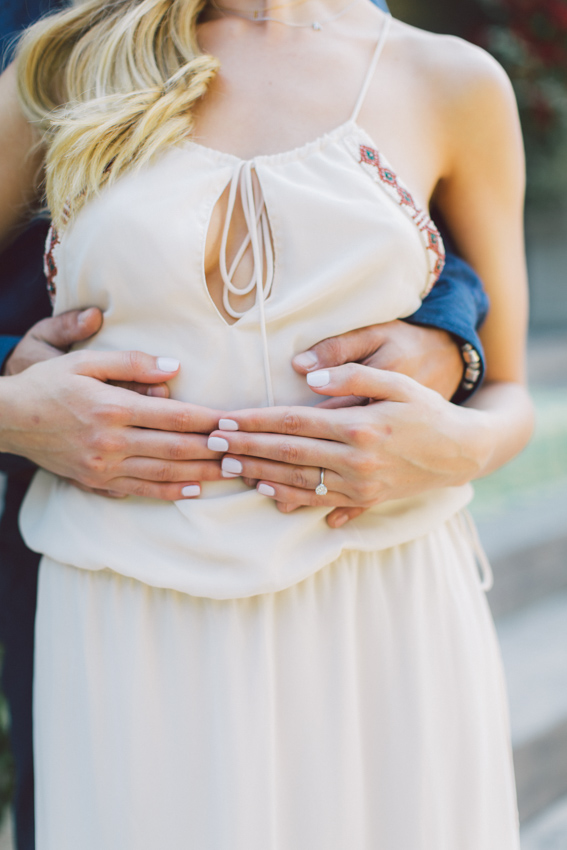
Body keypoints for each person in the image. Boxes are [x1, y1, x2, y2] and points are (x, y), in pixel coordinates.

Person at [1, 0, 532, 847]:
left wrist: (454, 445)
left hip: (385, 600)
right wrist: (9, 414)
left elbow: (507, 390)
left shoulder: (450, 78)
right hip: (128, 611)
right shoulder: (62, 62)